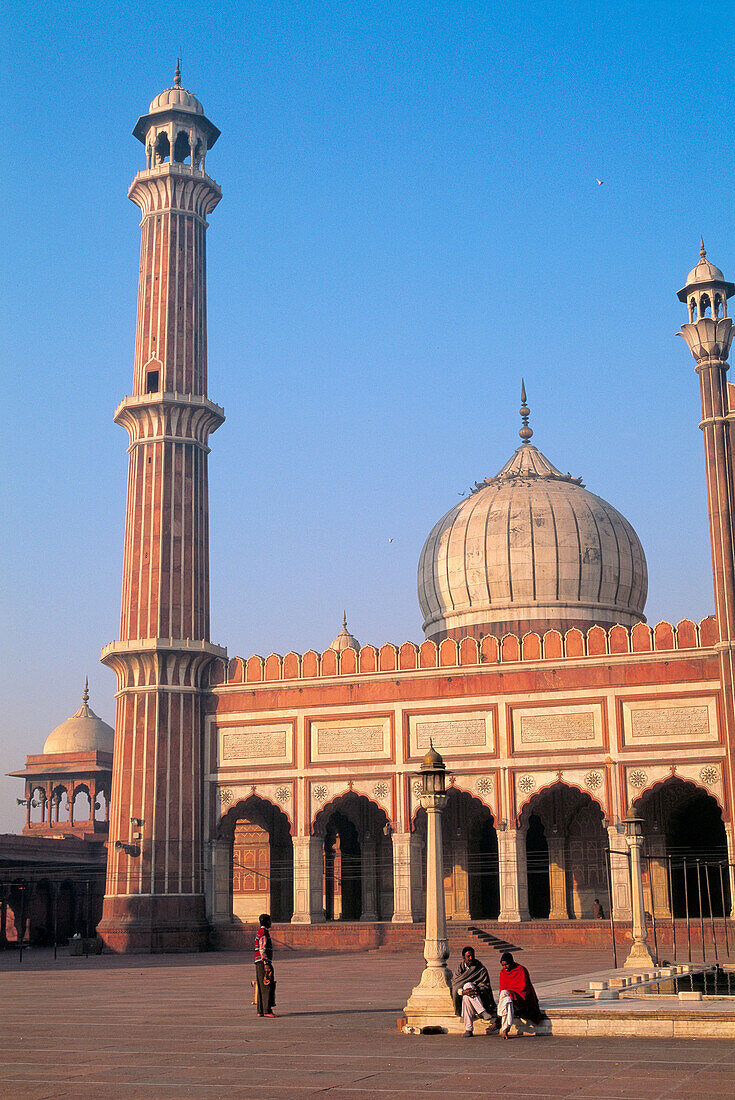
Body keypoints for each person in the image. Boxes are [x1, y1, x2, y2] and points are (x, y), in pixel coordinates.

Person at [451, 945, 497, 1037]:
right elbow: (455, 986)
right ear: (463, 958)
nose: (471, 958)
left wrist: (477, 989)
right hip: (464, 997)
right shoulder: (459, 970)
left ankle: (468, 1029)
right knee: (466, 994)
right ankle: (482, 1012)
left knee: (468, 989)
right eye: (468, 956)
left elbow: (486, 985)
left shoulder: (480, 969)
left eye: (472, 956)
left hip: (480, 997)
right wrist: (464, 992)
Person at [497, 952, 542, 1038]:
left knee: (506, 996)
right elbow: (502, 989)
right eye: (503, 965)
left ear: (511, 962)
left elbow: (523, 989)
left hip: (521, 998)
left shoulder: (521, 970)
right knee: (507, 1000)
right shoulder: (503, 972)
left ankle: (499, 1015)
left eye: (506, 965)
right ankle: (505, 1029)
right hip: (509, 999)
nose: (505, 967)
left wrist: (511, 993)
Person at [254, 913, 276, 1018]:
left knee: (261, 986)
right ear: (267, 922)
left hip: (259, 963)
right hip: (263, 963)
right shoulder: (263, 932)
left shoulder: (260, 932)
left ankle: (260, 1010)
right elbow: (262, 949)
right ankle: (267, 1010)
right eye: (270, 921)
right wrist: (266, 963)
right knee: (267, 986)